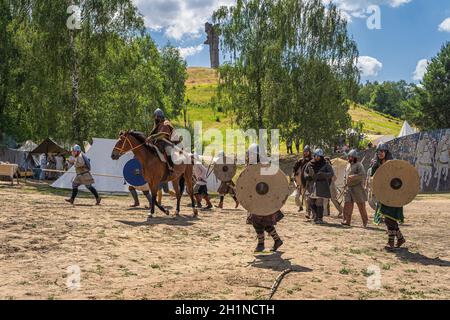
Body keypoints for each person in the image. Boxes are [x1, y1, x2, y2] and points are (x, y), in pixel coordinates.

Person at [245, 143, 284, 253]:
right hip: (256, 198)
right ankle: (277, 240)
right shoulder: (252, 167)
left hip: (264, 197)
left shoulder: (265, 166)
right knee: (264, 221)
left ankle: (261, 244)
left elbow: (272, 182)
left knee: (256, 220)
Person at [370, 143, 405, 250]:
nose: (380, 153)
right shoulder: (376, 165)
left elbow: (400, 178)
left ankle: (391, 242)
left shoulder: (392, 164)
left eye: (382, 151)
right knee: (388, 218)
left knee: (389, 218)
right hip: (383, 195)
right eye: (378, 151)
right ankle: (400, 238)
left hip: (394, 194)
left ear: (386, 152)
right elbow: (374, 179)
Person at [303, 148, 334, 224]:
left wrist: (323, 175)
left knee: (319, 202)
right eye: (316, 156)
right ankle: (315, 215)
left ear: (321, 156)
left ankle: (320, 218)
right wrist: (308, 176)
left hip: (321, 185)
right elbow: (305, 172)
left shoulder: (325, 164)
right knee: (310, 201)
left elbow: (331, 173)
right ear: (314, 155)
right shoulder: (310, 163)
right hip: (312, 185)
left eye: (319, 156)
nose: (317, 158)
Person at [341, 149, 369, 227]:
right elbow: (345, 175)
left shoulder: (359, 165)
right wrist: (345, 182)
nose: (349, 158)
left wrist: (353, 177)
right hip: (348, 188)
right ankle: (346, 220)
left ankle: (365, 221)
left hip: (357, 188)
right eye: (349, 156)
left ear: (354, 157)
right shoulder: (347, 165)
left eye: (351, 157)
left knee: (361, 206)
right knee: (347, 204)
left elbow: (363, 175)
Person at [292, 145, 312, 214]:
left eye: (307, 151)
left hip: (306, 183)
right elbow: (294, 168)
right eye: (305, 151)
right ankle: (300, 206)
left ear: (309, 152)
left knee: (306, 199)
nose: (306, 153)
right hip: (299, 182)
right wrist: (294, 175)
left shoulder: (312, 161)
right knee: (296, 197)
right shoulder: (300, 160)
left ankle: (308, 212)